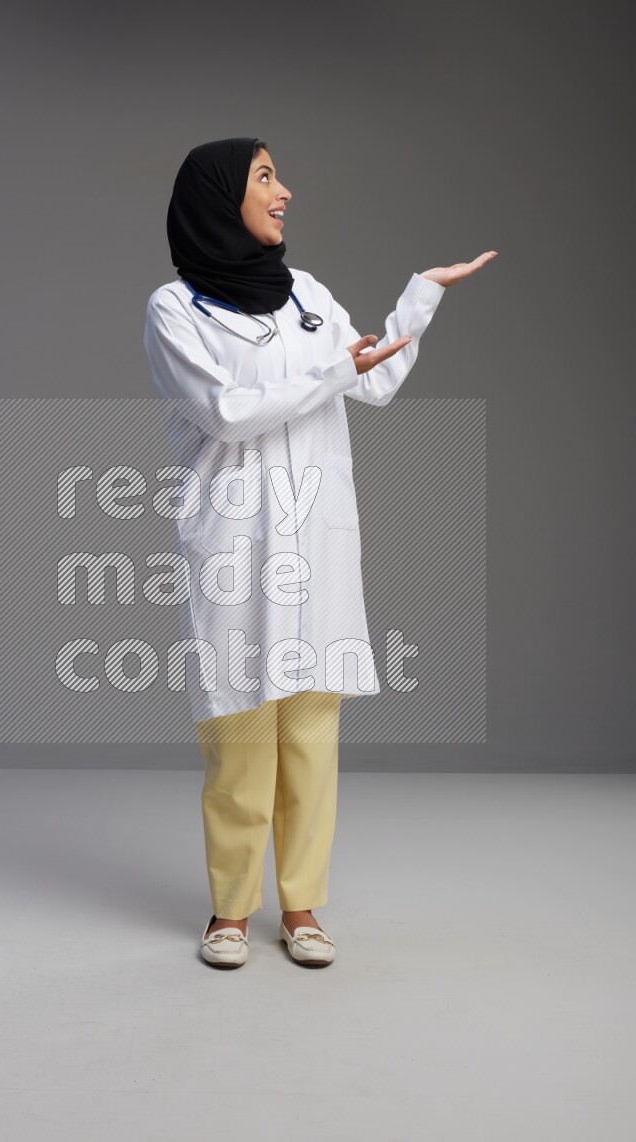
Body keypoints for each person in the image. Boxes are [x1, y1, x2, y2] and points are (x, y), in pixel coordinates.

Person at [143, 137, 496, 968]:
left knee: (309, 732)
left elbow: (369, 381)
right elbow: (228, 412)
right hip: (235, 539)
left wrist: (417, 304)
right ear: (219, 197)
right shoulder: (174, 309)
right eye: (266, 177)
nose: (286, 191)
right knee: (239, 734)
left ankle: (301, 908)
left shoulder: (307, 294)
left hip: (317, 542)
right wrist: (335, 368)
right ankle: (229, 911)